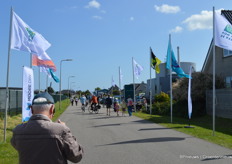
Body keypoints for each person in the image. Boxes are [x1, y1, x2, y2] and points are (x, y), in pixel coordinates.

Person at [11, 92, 84, 164]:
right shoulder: (61, 130)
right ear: (52, 109)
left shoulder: (18, 131)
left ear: (31, 109)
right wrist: (65, 131)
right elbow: (77, 156)